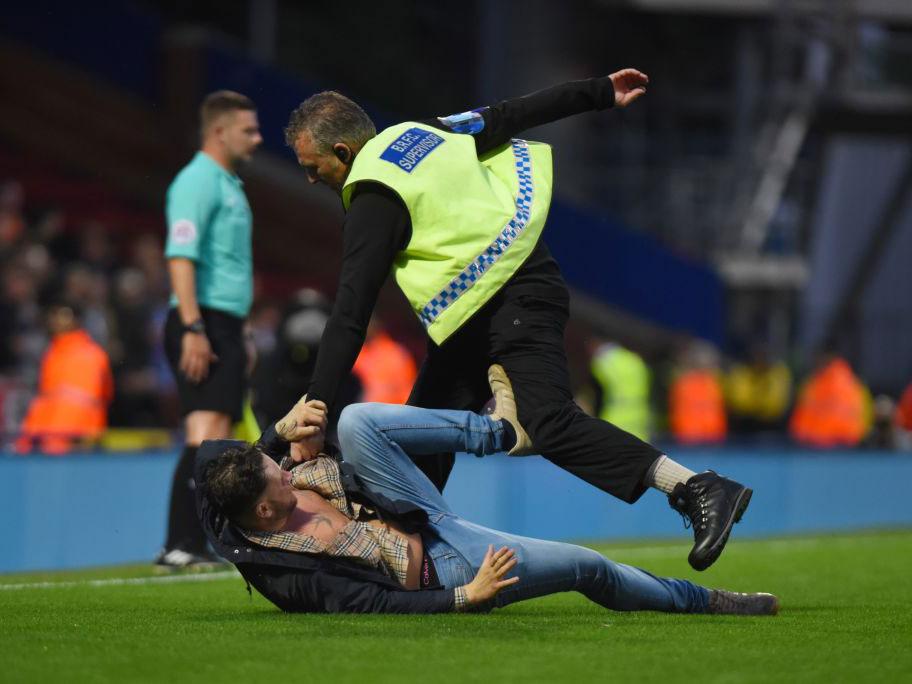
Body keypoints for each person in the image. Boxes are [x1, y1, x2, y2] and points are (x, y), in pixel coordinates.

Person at [278, 71, 752, 571]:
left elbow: (351, 311)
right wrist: (598, 91)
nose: (312, 179)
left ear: (344, 152)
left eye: (314, 167)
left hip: (511, 306)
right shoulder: (423, 132)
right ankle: (404, 556)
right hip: (489, 307)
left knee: (551, 423)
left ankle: (698, 488)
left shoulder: (373, 195)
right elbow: (508, 115)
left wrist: (317, 406)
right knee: (415, 433)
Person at [197, 368, 778, 615]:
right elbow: (372, 604)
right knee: (587, 567)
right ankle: (705, 600)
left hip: (410, 506)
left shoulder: (228, 485)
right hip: (444, 568)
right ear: (267, 510)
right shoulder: (286, 573)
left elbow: (210, 459)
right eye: (276, 473)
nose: (285, 467)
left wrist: (275, 434)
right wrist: (463, 598)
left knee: (354, 422)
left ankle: (502, 429)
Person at [157, 90, 263, 567]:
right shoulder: (196, 181)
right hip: (201, 320)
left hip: (223, 324)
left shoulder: (227, 183)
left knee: (218, 433)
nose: (257, 138)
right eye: (249, 130)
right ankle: (181, 544)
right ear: (219, 131)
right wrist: (194, 326)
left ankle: (196, 543)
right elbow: (181, 256)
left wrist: (237, 334)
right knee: (204, 432)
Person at [15, 302, 113, 454]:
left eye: (63, 315)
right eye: (53, 315)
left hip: (76, 441)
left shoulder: (93, 355)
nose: (56, 320)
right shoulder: (51, 352)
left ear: (77, 320)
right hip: (47, 438)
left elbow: (102, 396)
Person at [352, 316, 417, 404]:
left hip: (389, 412)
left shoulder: (395, 354)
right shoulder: (356, 353)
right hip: (357, 409)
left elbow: (406, 391)